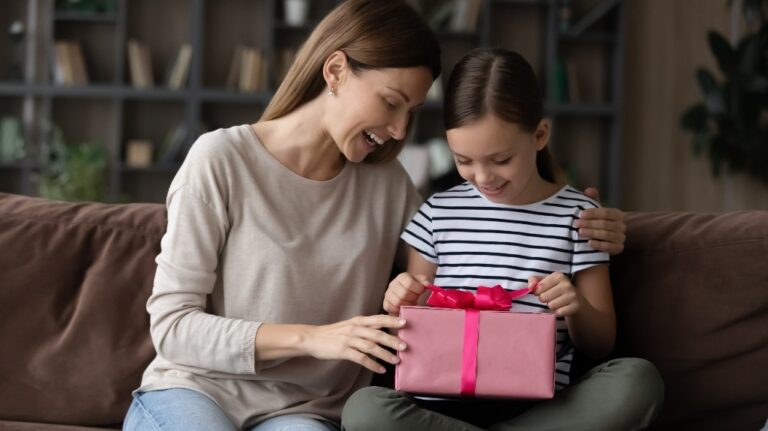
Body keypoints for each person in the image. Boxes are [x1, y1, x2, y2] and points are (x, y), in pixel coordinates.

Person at [123, 1, 629, 429]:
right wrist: (316, 338)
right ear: (336, 71)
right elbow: (172, 326)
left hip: (304, 411)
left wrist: (601, 222)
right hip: (196, 390)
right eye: (391, 103)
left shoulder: (391, 189)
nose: (398, 129)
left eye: (412, 112)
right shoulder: (221, 159)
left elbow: (479, 233)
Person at [341, 48, 664, 431]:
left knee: (637, 381)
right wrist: (402, 301)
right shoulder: (436, 212)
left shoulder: (580, 218)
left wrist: (574, 306)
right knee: (365, 410)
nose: (483, 177)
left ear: (540, 134)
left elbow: (600, 344)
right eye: (463, 160)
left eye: (501, 159)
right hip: (442, 405)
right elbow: (414, 324)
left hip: (539, 409)